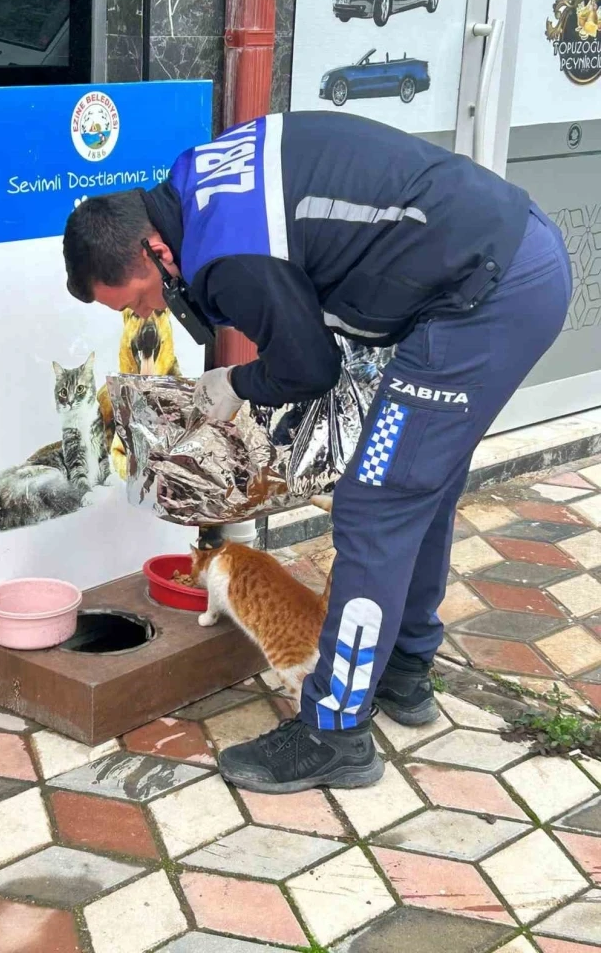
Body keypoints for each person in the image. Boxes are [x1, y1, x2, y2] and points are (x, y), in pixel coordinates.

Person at [62, 111, 572, 795]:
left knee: (375, 503)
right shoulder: (194, 181)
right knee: (421, 480)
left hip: (486, 298)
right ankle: (404, 668)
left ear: (155, 250)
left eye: (143, 298)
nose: (147, 314)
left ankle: (334, 732)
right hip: (504, 258)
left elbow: (308, 366)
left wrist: (233, 383)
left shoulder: (228, 255)